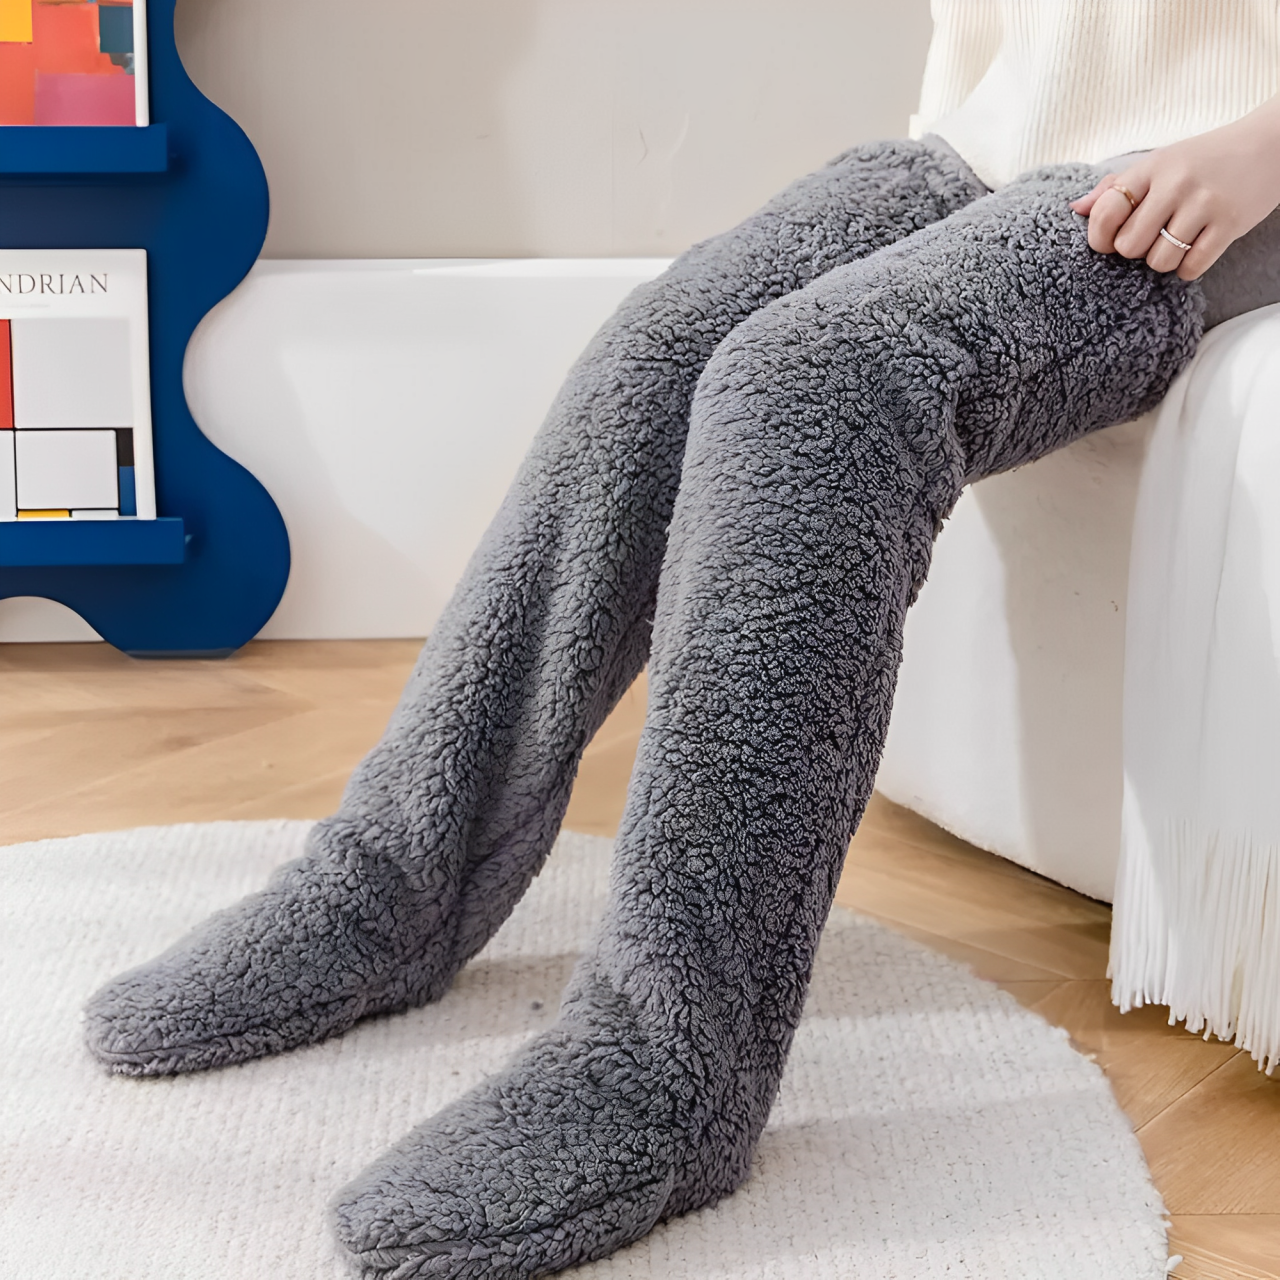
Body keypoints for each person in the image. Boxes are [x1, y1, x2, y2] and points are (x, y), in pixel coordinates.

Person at [83, 3, 1280, 1276]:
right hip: (1005, 133)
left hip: (1227, 176)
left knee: (813, 390)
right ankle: (399, 880)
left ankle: (669, 1057)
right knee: (656, 355)